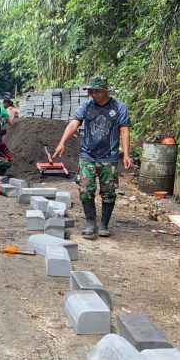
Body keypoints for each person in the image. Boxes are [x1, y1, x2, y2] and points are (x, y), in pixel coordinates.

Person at [53, 75, 133, 239]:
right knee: (85, 188)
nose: (93, 95)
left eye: (96, 91)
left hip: (109, 156)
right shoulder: (86, 107)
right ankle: (91, 223)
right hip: (87, 154)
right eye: (91, 91)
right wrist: (62, 142)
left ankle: (104, 224)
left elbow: (124, 130)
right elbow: (74, 124)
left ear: (105, 91)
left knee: (108, 191)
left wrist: (126, 154)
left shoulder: (119, 107)